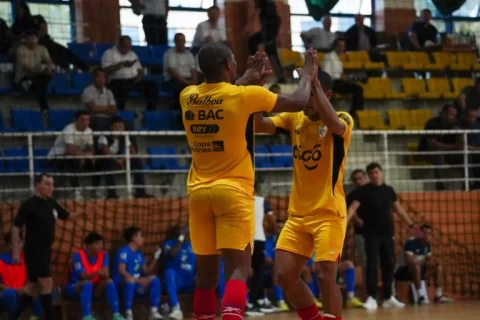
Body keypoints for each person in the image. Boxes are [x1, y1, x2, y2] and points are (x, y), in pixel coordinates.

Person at [181, 42, 317, 320]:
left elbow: (220, 93)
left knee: (205, 277)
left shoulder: (187, 95)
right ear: (228, 66)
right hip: (232, 192)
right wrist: (307, 76)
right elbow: (299, 102)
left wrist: (243, 79)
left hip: (197, 194)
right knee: (238, 270)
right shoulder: (245, 97)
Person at [254, 70, 354, 320]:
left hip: (329, 213)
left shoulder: (342, 119)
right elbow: (258, 125)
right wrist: (255, 93)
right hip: (298, 215)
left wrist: (314, 82)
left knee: (324, 274)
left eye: (310, 95)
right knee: (283, 276)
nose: (303, 102)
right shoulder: (294, 118)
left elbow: (333, 124)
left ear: (325, 95)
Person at [11, 173, 87, 320]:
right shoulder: (29, 204)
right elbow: (16, 226)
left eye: (52, 184)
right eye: (46, 183)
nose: (50, 187)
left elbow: (66, 215)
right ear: (37, 185)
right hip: (34, 250)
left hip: (46, 250)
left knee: (32, 289)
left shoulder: (51, 202)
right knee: (47, 283)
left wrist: (82, 214)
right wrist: (16, 252)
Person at [347, 162, 422, 310]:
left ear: (381, 173)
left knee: (389, 264)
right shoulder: (363, 191)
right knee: (372, 265)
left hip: (387, 233)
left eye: (376, 172)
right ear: (368, 176)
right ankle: (372, 297)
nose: (374, 175)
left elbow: (399, 210)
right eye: (371, 173)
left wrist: (411, 225)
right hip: (370, 234)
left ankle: (389, 297)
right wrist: (343, 223)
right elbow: (352, 207)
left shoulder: (389, 190)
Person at [67, 232, 125, 320]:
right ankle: (86, 316)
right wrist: (97, 273)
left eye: (101, 243)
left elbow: (106, 274)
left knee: (109, 281)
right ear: (88, 246)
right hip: (76, 288)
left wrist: (104, 276)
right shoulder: (78, 255)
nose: (100, 246)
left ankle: (116, 315)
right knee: (87, 283)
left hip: (95, 288)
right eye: (97, 244)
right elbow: (82, 276)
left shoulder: (103, 254)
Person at [112, 226, 162, 320]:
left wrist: (156, 257)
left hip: (137, 285)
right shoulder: (123, 251)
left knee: (155, 279)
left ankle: (153, 311)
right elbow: (121, 270)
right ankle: (128, 313)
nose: (143, 239)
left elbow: (146, 271)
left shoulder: (139, 254)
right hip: (123, 286)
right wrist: (138, 281)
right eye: (141, 236)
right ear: (134, 238)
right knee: (129, 281)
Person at [395, 224, 453, 304]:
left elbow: (429, 260)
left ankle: (438, 296)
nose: (427, 236)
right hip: (403, 271)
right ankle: (420, 297)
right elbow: (409, 261)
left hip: (418, 270)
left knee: (437, 267)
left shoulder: (427, 245)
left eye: (429, 234)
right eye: (425, 233)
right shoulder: (411, 243)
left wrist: (432, 264)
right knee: (416, 266)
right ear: (419, 234)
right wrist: (423, 261)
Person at [246, 183, 276, 314]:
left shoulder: (241, 200)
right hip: (258, 239)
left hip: (243, 240)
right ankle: (253, 302)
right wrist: (273, 231)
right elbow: (271, 220)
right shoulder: (262, 201)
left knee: (245, 271)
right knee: (258, 272)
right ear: (257, 189)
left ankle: (258, 300)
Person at [0, 232, 42, 320]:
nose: (17, 246)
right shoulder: (1, 261)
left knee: (41, 292)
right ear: (8, 245)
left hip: (22, 292)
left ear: (23, 243)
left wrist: (26, 288)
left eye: (19, 242)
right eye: (13, 243)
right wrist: (14, 290)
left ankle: (34, 317)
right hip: (6, 294)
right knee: (10, 294)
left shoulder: (27, 260)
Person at [245, 0, 285, 82]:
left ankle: (281, 78)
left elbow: (276, 20)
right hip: (268, 30)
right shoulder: (268, 5)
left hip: (269, 30)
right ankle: (255, 67)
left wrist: (248, 25)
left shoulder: (267, 4)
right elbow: (277, 19)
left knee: (271, 51)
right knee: (252, 41)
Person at [163, 225, 196, 320]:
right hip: (176, 282)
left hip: (190, 281)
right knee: (169, 273)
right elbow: (172, 254)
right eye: (181, 229)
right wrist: (181, 238)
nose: (185, 231)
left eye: (185, 229)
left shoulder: (192, 245)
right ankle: (176, 309)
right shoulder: (168, 244)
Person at [346, 169, 369, 286]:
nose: (359, 181)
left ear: (365, 177)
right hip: (361, 233)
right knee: (364, 262)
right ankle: (369, 290)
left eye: (360, 178)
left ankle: (390, 293)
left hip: (379, 232)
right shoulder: (351, 196)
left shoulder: (374, 191)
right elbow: (348, 209)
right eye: (355, 180)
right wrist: (355, 218)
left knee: (385, 262)